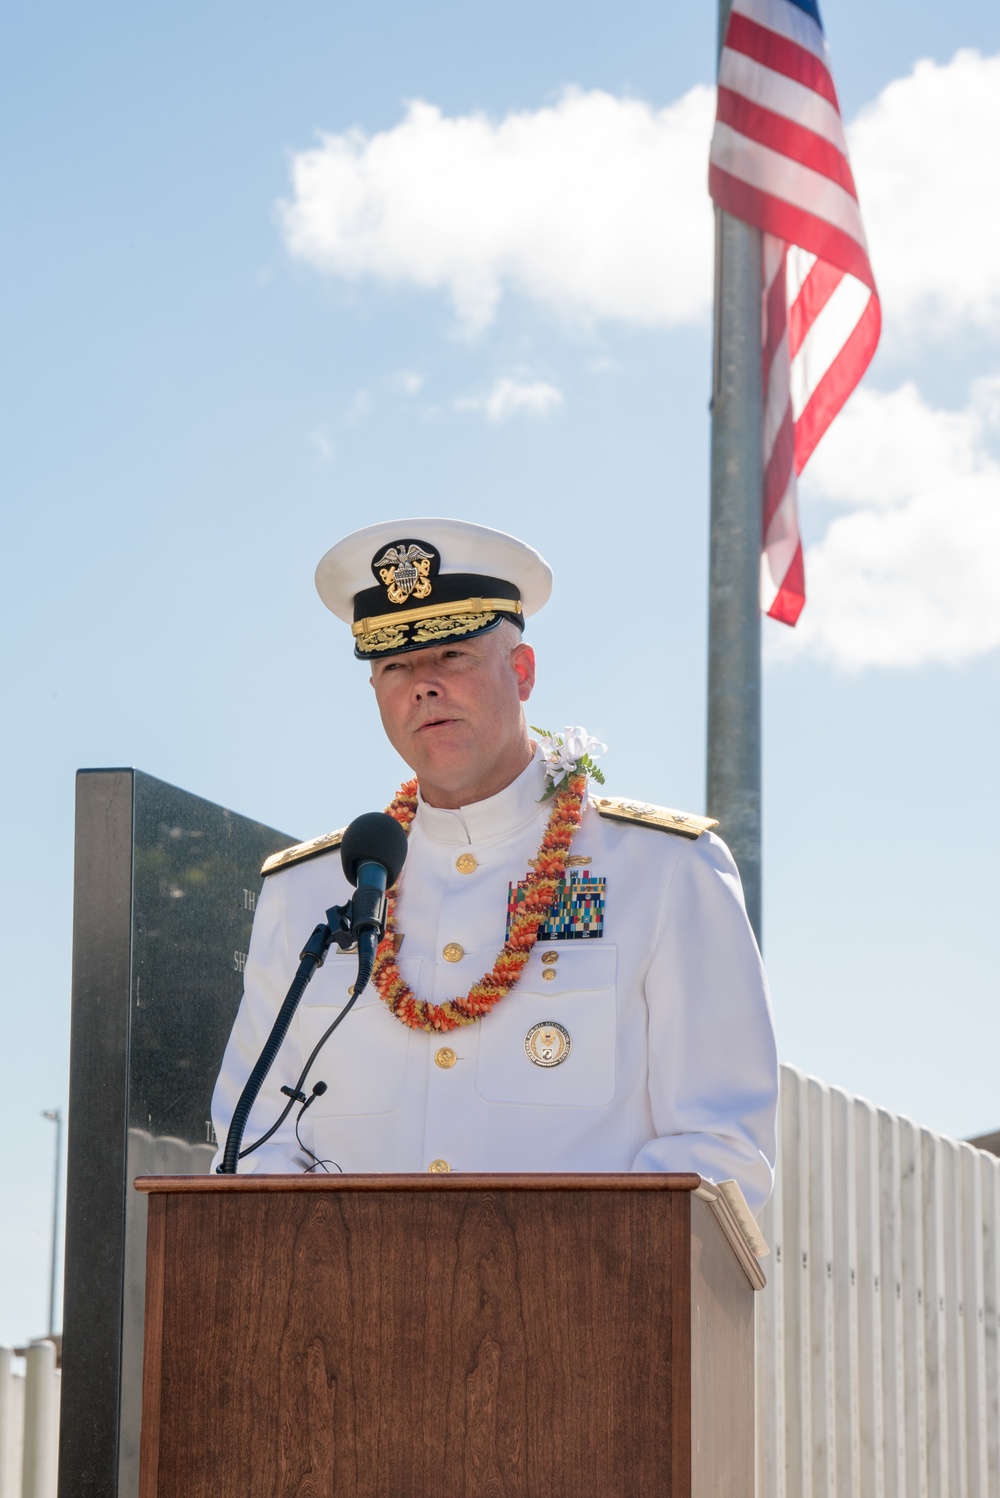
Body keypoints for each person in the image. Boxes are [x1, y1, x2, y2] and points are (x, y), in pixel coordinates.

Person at [211, 518, 778, 1212]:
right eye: (394, 665)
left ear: (524, 671)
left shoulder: (664, 872)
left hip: (582, 1308)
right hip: (345, 1311)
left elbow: (719, 1150)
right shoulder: (306, 894)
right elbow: (251, 1140)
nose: (422, 685)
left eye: (452, 655)